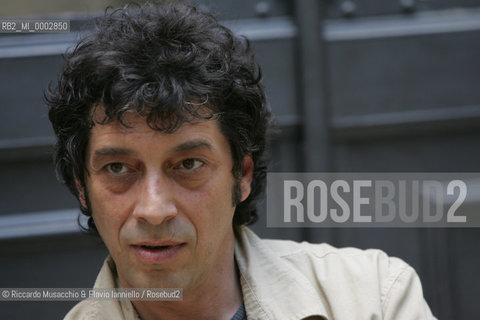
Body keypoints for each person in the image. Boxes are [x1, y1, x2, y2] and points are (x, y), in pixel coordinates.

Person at [46, 2, 436, 319]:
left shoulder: (373, 298)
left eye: (188, 165)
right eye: (118, 169)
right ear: (82, 187)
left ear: (242, 175)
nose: (154, 209)